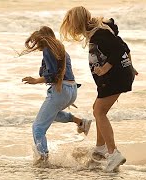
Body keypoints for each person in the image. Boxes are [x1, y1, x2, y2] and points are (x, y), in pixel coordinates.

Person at [60, 6, 137, 172]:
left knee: (99, 112)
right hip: (115, 77)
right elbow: (123, 45)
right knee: (97, 109)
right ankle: (100, 149)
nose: (71, 28)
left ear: (78, 22)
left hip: (115, 77)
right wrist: (131, 66)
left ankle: (113, 153)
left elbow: (119, 48)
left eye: (72, 23)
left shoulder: (99, 34)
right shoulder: (99, 30)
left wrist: (106, 68)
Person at [19, 26, 92, 167]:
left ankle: (43, 159)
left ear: (42, 39)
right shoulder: (61, 49)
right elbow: (56, 73)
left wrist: (35, 80)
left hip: (61, 91)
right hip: (71, 90)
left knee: (38, 128)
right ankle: (81, 122)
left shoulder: (48, 50)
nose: (36, 46)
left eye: (37, 41)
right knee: (54, 114)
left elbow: (52, 75)